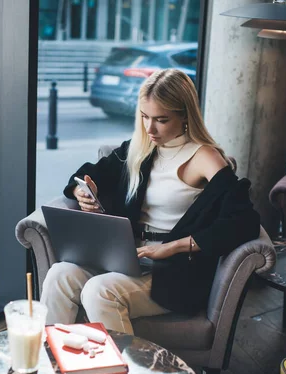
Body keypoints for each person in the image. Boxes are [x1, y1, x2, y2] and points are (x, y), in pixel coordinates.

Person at [41, 69, 260, 334]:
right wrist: (82, 192)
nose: (149, 128)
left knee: (99, 292)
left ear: (184, 115)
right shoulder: (140, 148)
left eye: (161, 120)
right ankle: (56, 363)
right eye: (144, 117)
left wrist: (176, 247)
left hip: (173, 272)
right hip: (126, 258)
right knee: (59, 275)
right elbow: (90, 172)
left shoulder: (204, 158)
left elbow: (244, 220)